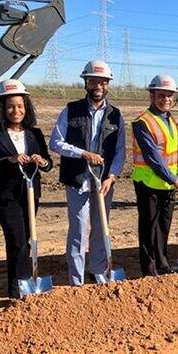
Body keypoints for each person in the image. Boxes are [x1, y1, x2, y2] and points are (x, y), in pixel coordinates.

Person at [49, 60, 126, 285]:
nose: (98, 86)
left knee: (101, 227)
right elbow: (56, 142)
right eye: (94, 81)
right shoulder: (71, 110)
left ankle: (98, 270)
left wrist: (112, 176)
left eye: (103, 82)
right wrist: (82, 153)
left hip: (104, 182)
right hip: (77, 180)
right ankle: (77, 279)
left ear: (108, 85)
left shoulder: (116, 115)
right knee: (78, 230)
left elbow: (120, 150)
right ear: (86, 82)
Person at [0, 79, 53, 298]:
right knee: (16, 241)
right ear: (2, 108)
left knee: (28, 240)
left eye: (20, 106)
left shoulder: (35, 133)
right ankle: (17, 291)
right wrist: (10, 159)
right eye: (10, 106)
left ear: (26, 107)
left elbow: (49, 164)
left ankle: (28, 284)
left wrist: (42, 161)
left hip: (31, 194)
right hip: (6, 196)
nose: (16, 111)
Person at [131, 75, 178, 277]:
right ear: (152, 96)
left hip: (167, 184)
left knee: (163, 227)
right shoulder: (142, 122)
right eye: (161, 95)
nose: (166, 99)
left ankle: (163, 265)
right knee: (148, 229)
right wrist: (175, 180)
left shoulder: (169, 118)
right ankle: (149, 270)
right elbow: (153, 158)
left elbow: (166, 151)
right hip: (148, 183)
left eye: (169, 96)